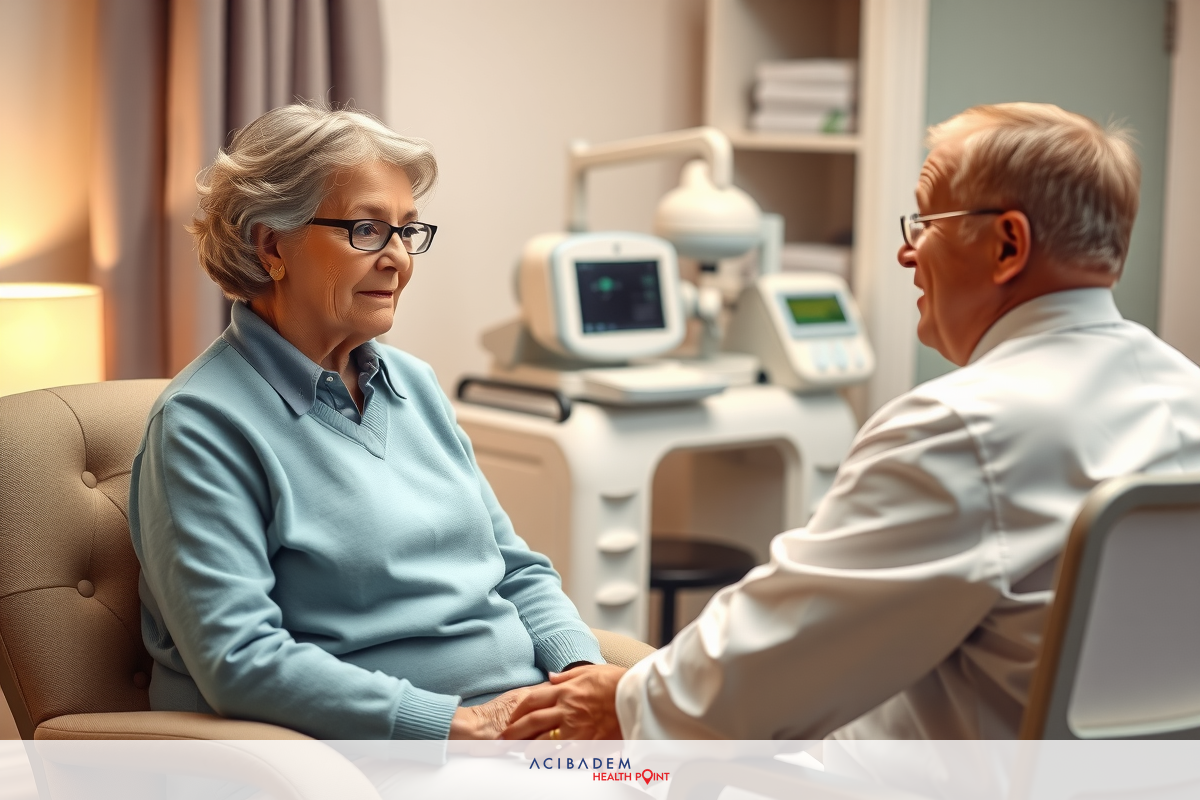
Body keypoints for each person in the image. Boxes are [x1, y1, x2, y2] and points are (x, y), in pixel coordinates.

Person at [502, 102, 1200, 740]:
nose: (906, 252)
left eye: (925, 222)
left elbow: (769, 664)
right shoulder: (1186, 393)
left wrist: (623, 703)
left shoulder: (965, 428)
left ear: (1008, 246)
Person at [128, 103, 602, 741]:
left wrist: (580, 676)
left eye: (409, 232)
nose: (400, 260)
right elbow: (238, 659)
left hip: (521, 729)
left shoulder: (414, 383)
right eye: (367, 231)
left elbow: (514, 568)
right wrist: (449, 727)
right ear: (271, 245)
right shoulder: (201, 424)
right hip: (388, 756)